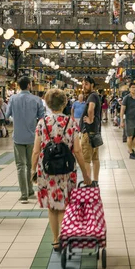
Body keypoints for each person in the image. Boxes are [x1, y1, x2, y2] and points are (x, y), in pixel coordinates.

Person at [31, 89, 91, 252]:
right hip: (66, 169)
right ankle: (66, 236)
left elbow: (36, 150)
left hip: (47, 169)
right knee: (64, 205)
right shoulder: (71, 122)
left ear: (48, 104)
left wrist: (32, 170)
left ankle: (56, 240)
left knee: (52, 206)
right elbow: (77, 150)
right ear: (65, 103)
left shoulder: (42, 122)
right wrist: (85, 173)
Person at [6, 76, 45, 204]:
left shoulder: (13, 99)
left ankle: (24, 195)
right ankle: (30, 191)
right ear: (29, 85)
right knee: (31, 165)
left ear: (18, 86)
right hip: (33, 138)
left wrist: (16, 119)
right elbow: (41, 118)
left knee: (20, 166)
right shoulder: (37, 100)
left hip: (18, 137)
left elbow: (7, 116)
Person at [80, 76, 102, 186]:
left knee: (86, 159)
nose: (84, 86)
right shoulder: (96, 96)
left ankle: (88, 183)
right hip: (95, 132)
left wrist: (90, 119)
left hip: (88, 133)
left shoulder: (92, 96)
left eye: (86, 84)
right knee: (95, 158)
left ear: (92, 85)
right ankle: (95, 181)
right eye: (83, 84)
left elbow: (91, 108)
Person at [120, 83, 135, 160]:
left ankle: (131, 148)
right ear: (129, 89)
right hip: (129, 120)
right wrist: (121, 121)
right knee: (129, 137)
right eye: (132, 87)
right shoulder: (126, 98)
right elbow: (122, 110)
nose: (134, 89)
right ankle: (130, 152)